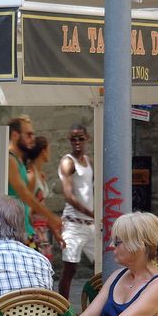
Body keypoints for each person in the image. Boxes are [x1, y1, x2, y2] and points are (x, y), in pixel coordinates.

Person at [7, 116, 61, 246]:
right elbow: (24, 194)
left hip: (23, 230)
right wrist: (50, 217)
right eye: (29, 134)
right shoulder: (9, 159)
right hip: (13, 232)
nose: (32, 138)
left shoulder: (18, 160)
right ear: (15, 135)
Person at [58, 124, 95, 300]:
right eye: (73, 139)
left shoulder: (88, 162)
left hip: (90, 224)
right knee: (70, 268)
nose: (77, 142)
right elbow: (69, 196)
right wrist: (92, 213)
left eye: (80, 138)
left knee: (102, 263)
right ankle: (63, 310)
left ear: (87, 138)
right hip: (73, 223)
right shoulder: (68, 161)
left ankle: (99, 303)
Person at [26, 136, 56, 260]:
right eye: (48, 149)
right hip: (34, 230)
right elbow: (27, 205)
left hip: (42, 228)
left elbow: (41, 205)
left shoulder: (40, 175)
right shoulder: (31, 175)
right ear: (43, 151)